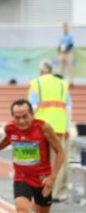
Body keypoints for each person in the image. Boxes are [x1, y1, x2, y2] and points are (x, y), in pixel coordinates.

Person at [28, 60, 73, 201]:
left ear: (41, 71)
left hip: (41, 128)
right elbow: (68, 108)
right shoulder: (62, 84)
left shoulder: (36, 83)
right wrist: (67, 127)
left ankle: (42, 191)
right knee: (58, 160)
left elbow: (32, 107)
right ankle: (58, 193)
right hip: (59, 127)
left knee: (41, 160)